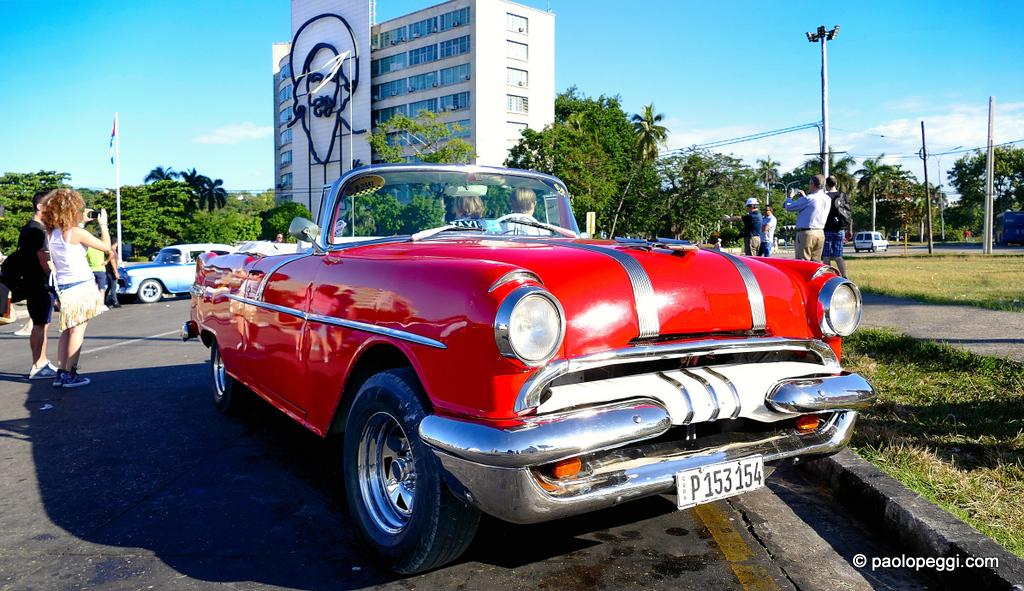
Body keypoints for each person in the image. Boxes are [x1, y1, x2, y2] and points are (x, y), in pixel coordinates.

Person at [42, 189, 112, 388]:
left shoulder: (52, 233)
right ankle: (71, 375)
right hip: (81, 285)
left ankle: (61, 373)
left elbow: (69, 239)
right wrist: (103, 224)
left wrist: (81, 222)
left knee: (67, 330)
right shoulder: (77, 233)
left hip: (64, 286)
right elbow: (106, 246)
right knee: (78, 330)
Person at [20, 191, 58, 379]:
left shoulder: (29, 227)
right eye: (49, 205)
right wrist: (54, 280)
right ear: (40, 207)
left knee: (43, 324)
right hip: (38, 284)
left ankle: (42, 361)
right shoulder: (36, 230)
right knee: (40, 325)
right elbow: (44, 262)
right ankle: (37, 365)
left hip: (33, 283)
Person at [784, 175, 830, 263]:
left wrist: (790, 197)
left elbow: (789, 207)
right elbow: (812, 208)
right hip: (820, 232)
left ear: (813, 184)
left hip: (807, 233)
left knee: (803, 261)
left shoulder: (809, 198)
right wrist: (803, 197)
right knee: (816, 262)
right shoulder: (827, 198)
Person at [823, 176, 853, 277]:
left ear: (826, 184)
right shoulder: (842, 195)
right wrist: (850, 229)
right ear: (836, 184)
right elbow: (849, 214)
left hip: (827, 229)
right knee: (838, 255)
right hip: (840, 229)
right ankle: (844, 276)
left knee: (826, 256)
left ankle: (828, 277)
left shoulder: (824, 196)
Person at [104, 241, 121, 308]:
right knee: (113, 287)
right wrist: (116, 272)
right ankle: (115, 302)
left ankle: (104, 300)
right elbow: (113, 262)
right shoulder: (112, 251)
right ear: (116, 243)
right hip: (111, 272)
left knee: (109, 287)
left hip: (108, 271)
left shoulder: (108, 250)